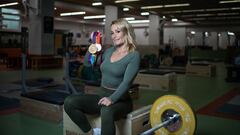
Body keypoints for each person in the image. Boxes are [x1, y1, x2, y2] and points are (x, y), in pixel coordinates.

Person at [64, 18, 140, 135]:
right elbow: (87, 63)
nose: (114, 36)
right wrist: (93, 46)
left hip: (121, 100)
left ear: (126, 32)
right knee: (69, 102)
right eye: (112, 33)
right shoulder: (109, 52)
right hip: (101, 95)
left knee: (106, 110)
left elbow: (127, 83)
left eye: (117, 31)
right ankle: (90, 132)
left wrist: (112, 99)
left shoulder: (133, 55)